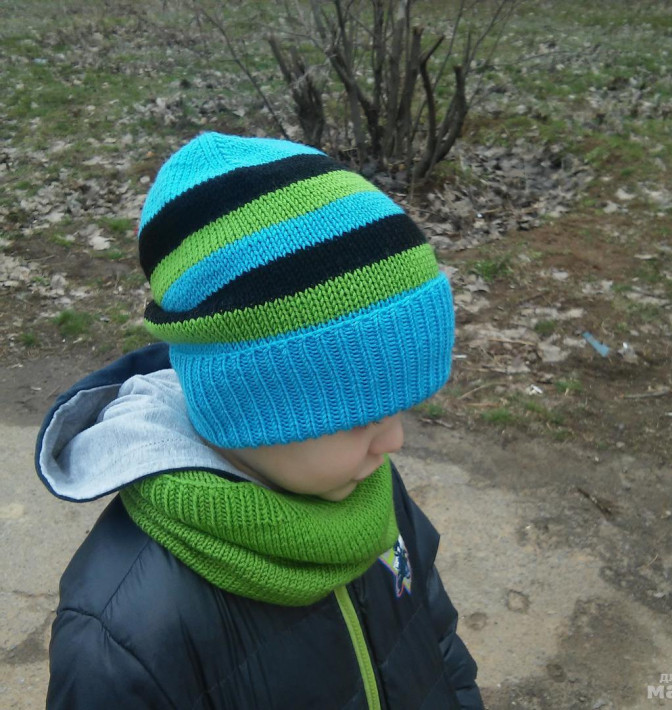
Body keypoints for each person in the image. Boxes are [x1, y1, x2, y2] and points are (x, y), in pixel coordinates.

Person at [35, 132, 484, 709]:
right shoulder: (122, 637)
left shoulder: (365, 486)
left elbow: (433, 635)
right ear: (251, 407)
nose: (393, 441)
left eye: (399, 407)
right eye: (362, 416)